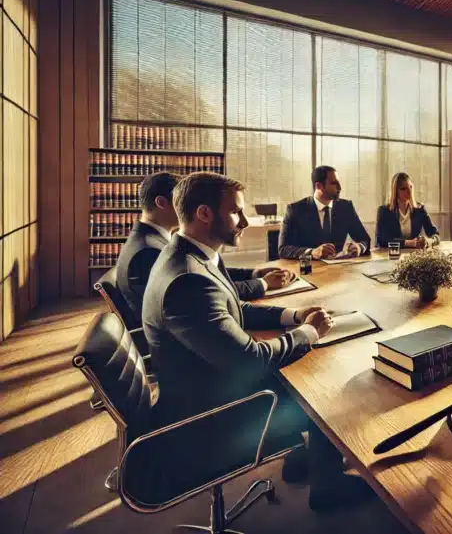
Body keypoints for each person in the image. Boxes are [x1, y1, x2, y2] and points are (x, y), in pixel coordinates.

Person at [141, 172, 363, 511]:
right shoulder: (187, 279)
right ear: (204, 213)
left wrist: (292, 315)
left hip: (209, 386)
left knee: (308, 370)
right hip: (214, 417)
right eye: (236, 212)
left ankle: (307, 460)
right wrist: (308, 333)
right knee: (326, 390)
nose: (245, 221)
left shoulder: (192, 256)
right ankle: (327, 486)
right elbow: (250, 360)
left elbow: (234, 308)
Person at [116, 172, 293, 331]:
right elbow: (200, 290)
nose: (184, 206)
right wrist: (263, 284)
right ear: (161, 203)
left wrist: (253, 273)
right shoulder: (148, 251)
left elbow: (207, 273)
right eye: (178, 199)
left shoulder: (154, 241)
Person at [278, 165, 372, 260]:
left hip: (339, 270)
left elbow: (365, 240)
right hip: (308, 270)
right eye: (334, 183)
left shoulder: (346, 207)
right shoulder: (295, 210)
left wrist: (359, 247)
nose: (340, 187)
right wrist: (312, 252)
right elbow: (283, 249)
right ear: (319, 186)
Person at [375, 172, 440, 249]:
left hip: (413, 255)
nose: (409, 191)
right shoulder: (384, 211)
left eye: (410, 187)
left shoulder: (420, 209)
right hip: (390, 254)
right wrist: (409, 243)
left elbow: (435, 234)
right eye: (403, 189)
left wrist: (428, 241)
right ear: (395, 191)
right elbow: (382, 240)